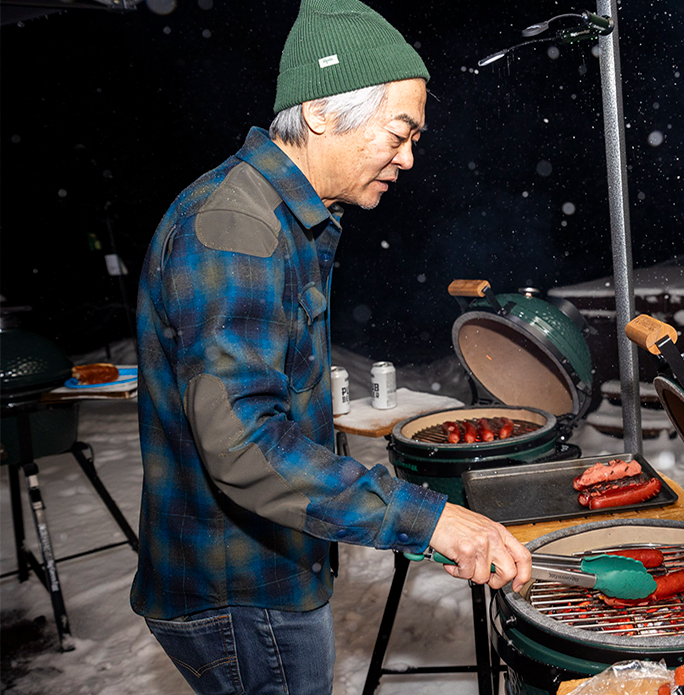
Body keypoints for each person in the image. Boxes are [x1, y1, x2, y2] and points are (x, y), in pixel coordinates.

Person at [131, 1, 532, 693]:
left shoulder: (280, 215)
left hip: (270, 570)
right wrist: (426, 519)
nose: (408, 158)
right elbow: (244, 446)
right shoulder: (234, 227)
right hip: (242, 591)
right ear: (321, 112)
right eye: (398, 133)